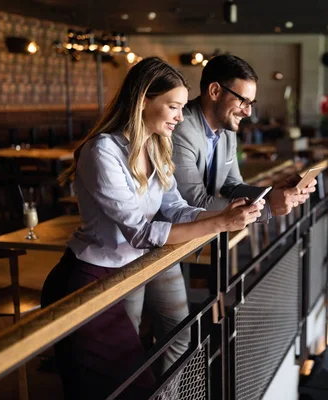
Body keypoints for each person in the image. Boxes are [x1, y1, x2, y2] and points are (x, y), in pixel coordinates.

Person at [41, 57, 263, 399]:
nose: (179, 115)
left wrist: (222, 214)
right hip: (87, 282)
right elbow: (141, 233)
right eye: (173, 106)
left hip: (124, 275)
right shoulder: (102, 151)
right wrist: (219, 223)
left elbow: (174, 208)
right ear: (143, 99)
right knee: (115, 388)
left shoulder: (156, 146)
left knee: (120, 386)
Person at [171, 54, 316, 220]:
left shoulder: (227, 131)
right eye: (243, 101)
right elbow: (195, 202)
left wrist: (274, 192)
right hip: (163, 239)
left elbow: (232, 187)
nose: (248, 112)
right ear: (215, 91)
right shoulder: (181, 128)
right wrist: (269, 207)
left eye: (251, 104)